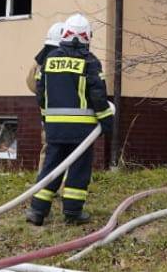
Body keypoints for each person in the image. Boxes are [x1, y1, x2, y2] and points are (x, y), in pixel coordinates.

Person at [25, 13, 113, 226]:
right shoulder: (89, 62)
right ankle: (72, 212)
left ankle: (37, 211)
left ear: (65, 34)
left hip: (55, 129)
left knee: (51, 168)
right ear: (87, 37)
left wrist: (47, 119)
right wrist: (107, 121)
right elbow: (98, 96)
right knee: (79, 170)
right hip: (81, 131)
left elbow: (41, 92)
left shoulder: (50, 60)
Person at [25, 21, 64, 169]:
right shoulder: (63, 59)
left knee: (48, 150)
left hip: (47, 115)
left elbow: (31, 83)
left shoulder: (40, 61)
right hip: (66, 116)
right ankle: (61, 186)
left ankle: (43, 186)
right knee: (66, 150)